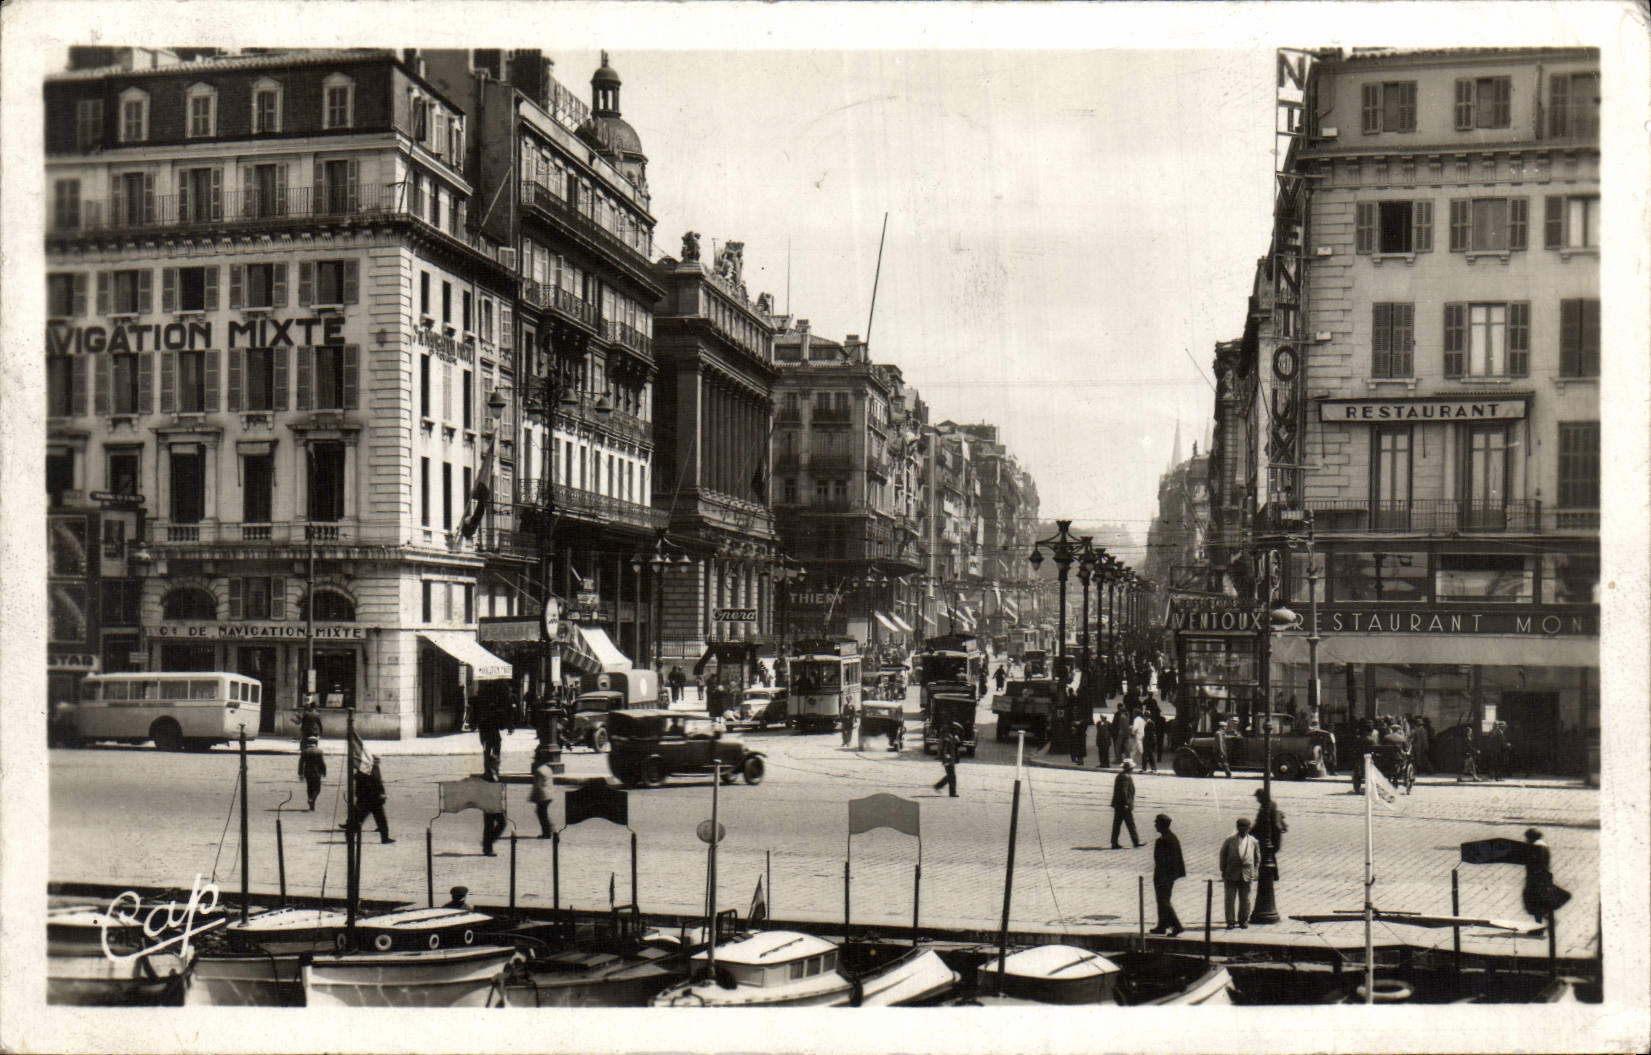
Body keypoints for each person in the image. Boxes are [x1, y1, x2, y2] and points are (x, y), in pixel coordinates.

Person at [1520, 828, 1571, 922]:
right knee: (1539, 902)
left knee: (1533, 901)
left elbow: (1534, 863)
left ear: (1530, 838)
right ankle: (1544, 920)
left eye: (1527, 838)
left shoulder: (1535, 846)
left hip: (1536, 878)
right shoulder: (1543, 845)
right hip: (1543, 877)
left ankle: (1541, 924)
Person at [1219, 817, 1260, 929]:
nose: (1243, 830)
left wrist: (1255, 871)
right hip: (1231, 873)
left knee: (1245, 900)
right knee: (1230, 899)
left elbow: (1257, 858)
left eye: (1245, 828)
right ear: (1237, 828)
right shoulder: (1230, 840)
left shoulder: (1253, 841)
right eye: (1240, 828)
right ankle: (1230, 921)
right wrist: (1223, 869)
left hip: (1246, 874)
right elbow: (1223, 854)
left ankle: (1243, 920)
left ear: (1248, 828)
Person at [1149, 813, 1186, 936]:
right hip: (1166, 875)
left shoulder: (1166, 840)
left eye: (1156, 823)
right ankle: (1162, 925)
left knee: (1163, 901)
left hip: (1164, 875)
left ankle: (1177, 926)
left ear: (1162, 825)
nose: (1155, 825)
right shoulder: (1170, 837)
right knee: (1162, 901)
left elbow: (1168, 860)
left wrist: (1166, 876)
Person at [343, 756, 394, 844]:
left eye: (378, 760)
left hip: (371, 799)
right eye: (376, 760)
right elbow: (376, 783)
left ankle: (384, 838)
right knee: (359, 819)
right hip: (369, 800)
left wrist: (382, 793)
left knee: (380, 819)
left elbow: (378, 782)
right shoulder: (368, 770)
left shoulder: (370, 769)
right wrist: (381, 794)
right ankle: (350, 837)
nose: (378, 762)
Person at [1110, 760, 1143, 849]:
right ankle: (1136, 842)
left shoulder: (1120, 776)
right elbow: (1123, 791)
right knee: (1130, 824)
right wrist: (1126, 803)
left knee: (1117, 824)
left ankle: (1114, 842)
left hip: (1118, 804)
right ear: (1130, 768)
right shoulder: (1126, 777)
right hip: (1124, 805)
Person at [1252, 787, 1287, 862]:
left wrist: (1249, 832)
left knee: (1265, 856)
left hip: (1269, 837)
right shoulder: (1272, 804)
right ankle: (1274, 873)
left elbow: (1260, 822)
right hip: (1274, 836)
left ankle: (1268, 873)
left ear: (1261, 797)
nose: (1257, 799)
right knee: (1271, 857)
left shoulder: (1265, 806)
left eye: (1257, 797)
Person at [530, 748, 556, 839]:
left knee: (541, 813)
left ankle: (547, 832)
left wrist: (533, 797)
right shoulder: (548, 769)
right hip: (549, 794)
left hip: (543, 795)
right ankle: (550, 828)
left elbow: (537, 785)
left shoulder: (538, 771)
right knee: (543, 812)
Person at [298, 735, 327, 811]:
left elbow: (301, 763)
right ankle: (312, 799)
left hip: (307, 772)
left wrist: (300, 773)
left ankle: (311, 803)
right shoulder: (319, 751)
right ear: (316, 743)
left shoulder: (304, 751)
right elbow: (322, 763)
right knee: (317, 789)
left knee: (309, 787)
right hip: (317, 772)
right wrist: (324, 772)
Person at [932, 723, 960, 798]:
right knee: (952, 776)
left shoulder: (949, 737)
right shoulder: (947, 738)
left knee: (950, 776)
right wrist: (947, 759)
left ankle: (939, 786)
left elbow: (957, 745)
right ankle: (951, 792)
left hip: (950, 759)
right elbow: (945, 750)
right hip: (948, 760)